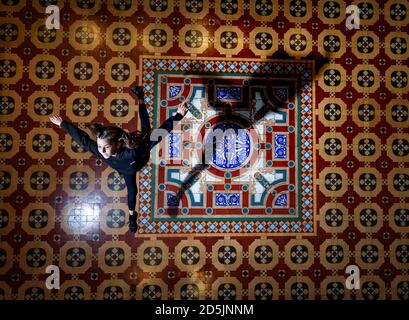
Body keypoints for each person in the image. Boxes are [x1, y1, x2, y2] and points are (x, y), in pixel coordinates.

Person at [50, 86, 188, 233]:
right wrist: (62, 124)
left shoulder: (134, 151)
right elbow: (83, 139)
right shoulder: (100, 150)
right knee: (132, 191)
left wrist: (178, 115)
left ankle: (140, 97)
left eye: (106, 147)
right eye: (99, 146)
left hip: (138, 160)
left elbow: (160, 134)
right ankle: (132, 215)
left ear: (117, 144)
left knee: (146, 128)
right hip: (124, 169)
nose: (101, 152)